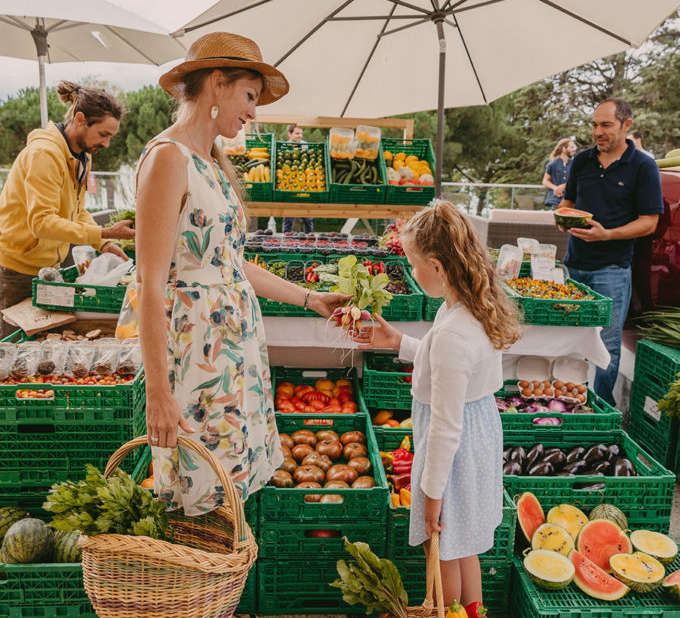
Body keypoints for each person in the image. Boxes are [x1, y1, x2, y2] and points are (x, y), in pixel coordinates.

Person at [135, 32, 348, 514]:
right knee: (200, 494)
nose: (254, 111)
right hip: (196, 358)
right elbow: (149, 283)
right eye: (250, 96)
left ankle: (224, 587)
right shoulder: (168, 158)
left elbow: (231, 264)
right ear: (217, 83)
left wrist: (310, 298)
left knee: (230, 496)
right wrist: (158, 393)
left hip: (232, 355)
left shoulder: (209, 162)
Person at [352, 201, 520, 612]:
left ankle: (449, 611)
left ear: (438, 266)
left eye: (413, 264)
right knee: (467, 545)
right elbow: (450, 365)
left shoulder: (453, 331)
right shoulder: (472, 307)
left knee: (441, 545)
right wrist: (398, 343)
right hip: (478, 435)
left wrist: (430, 498)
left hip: (454, 452)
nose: (411, 272)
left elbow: (445, 426)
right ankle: (474, 611)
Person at [0, 81, 134, 337]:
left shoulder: (82, 155)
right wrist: (105, 234)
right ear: (81, 119)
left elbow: (78, 210)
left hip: (47, 268)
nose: (106, 144)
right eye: (103, 134)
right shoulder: (45, 154)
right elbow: (41, 223)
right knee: (12, 352)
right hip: (15, 270)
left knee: (40, 347)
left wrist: (102, 245)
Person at [558, 98, 663, 406]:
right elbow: (569, 203)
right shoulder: (582, 160)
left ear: (626, 125)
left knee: (607, 345)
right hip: (572, 265)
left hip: (612, 270)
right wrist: (563, 219)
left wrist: (608, 235)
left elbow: (649, 223)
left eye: (605, 125)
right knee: (566, 337)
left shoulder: (643, 166)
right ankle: (563, 401)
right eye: (594, 125)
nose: (597, 132)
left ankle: (598, 407)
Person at [281, 124, 314, 234]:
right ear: (289, 134)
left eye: (301, 133)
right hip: (289, 186)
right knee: (288, 219)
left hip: (304, 185)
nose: (300, 136)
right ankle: (286, 242)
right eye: (297, 133)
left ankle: (308, 241)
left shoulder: (306, 146)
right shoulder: (284, 147)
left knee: (308, 218)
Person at [542, 138, 576, 209]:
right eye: (571, 147)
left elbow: (577, 180)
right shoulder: (552, 164)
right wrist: (556, 188)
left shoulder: (575, 164)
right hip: (555, 201)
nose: (574, 149)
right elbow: (545, 181)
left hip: (571, 201)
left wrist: (563, 186)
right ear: (564, 149)